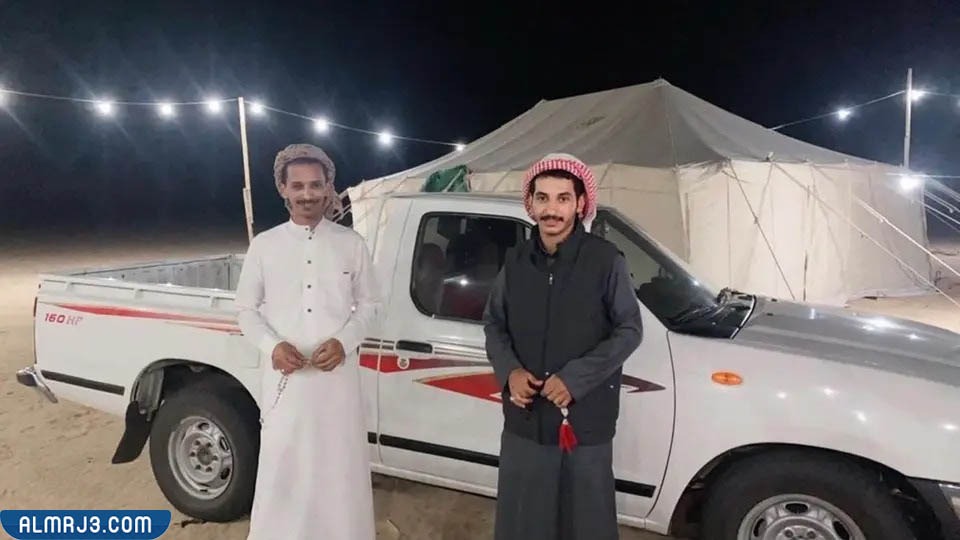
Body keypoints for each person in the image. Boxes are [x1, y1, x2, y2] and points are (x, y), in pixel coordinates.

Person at [483, 153, 643, 540]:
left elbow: (630, 329)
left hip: (583, 423)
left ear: (580, 203)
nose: (551, 209)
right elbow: (494, 323)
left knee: (583, 522)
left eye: (562, 198)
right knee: (524, 523)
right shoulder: (515, 261)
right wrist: (509, 372)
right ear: (531, 203)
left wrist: (575, 379)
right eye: (543, 198)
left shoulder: (605, 261)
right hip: (525, 421)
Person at [235, 143, 382, 540]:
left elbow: (371, 304)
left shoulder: (352, 244)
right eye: (297, 185)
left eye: (316, 185)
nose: (307, 194)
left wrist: (344, 341)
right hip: (287, 385)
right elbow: (245, 310)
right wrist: (273, 347)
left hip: (337, 384)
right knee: (284, 468)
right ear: (282, 188)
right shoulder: (265, 245)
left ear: (329, 186)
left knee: (339, 470)